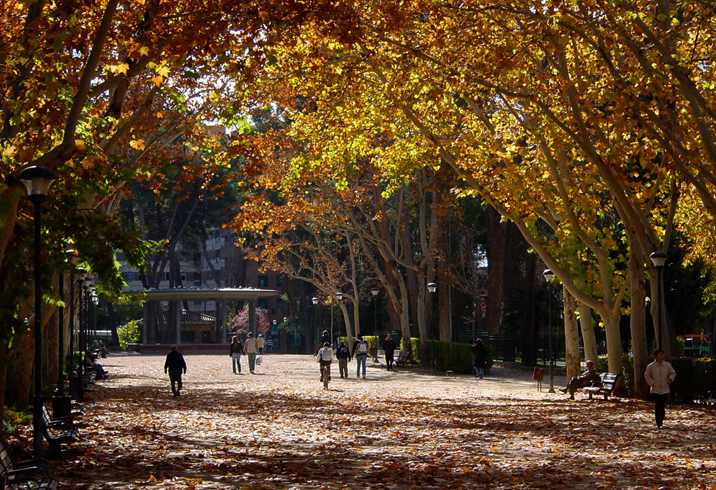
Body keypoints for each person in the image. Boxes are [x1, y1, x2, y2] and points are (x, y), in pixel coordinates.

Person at [645, 349, 676, 428]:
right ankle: (658, 422)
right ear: (656, 356)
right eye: (660, 354)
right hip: (655, 389)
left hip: (665, 388)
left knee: (662, 405)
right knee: (657, 405)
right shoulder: (651, 366)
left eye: (663, 354)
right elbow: (647, 375)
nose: (662, 356)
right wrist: (652, 383)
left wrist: (670, 379)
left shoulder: (667, 365)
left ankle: (661, 418)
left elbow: (673, 373)